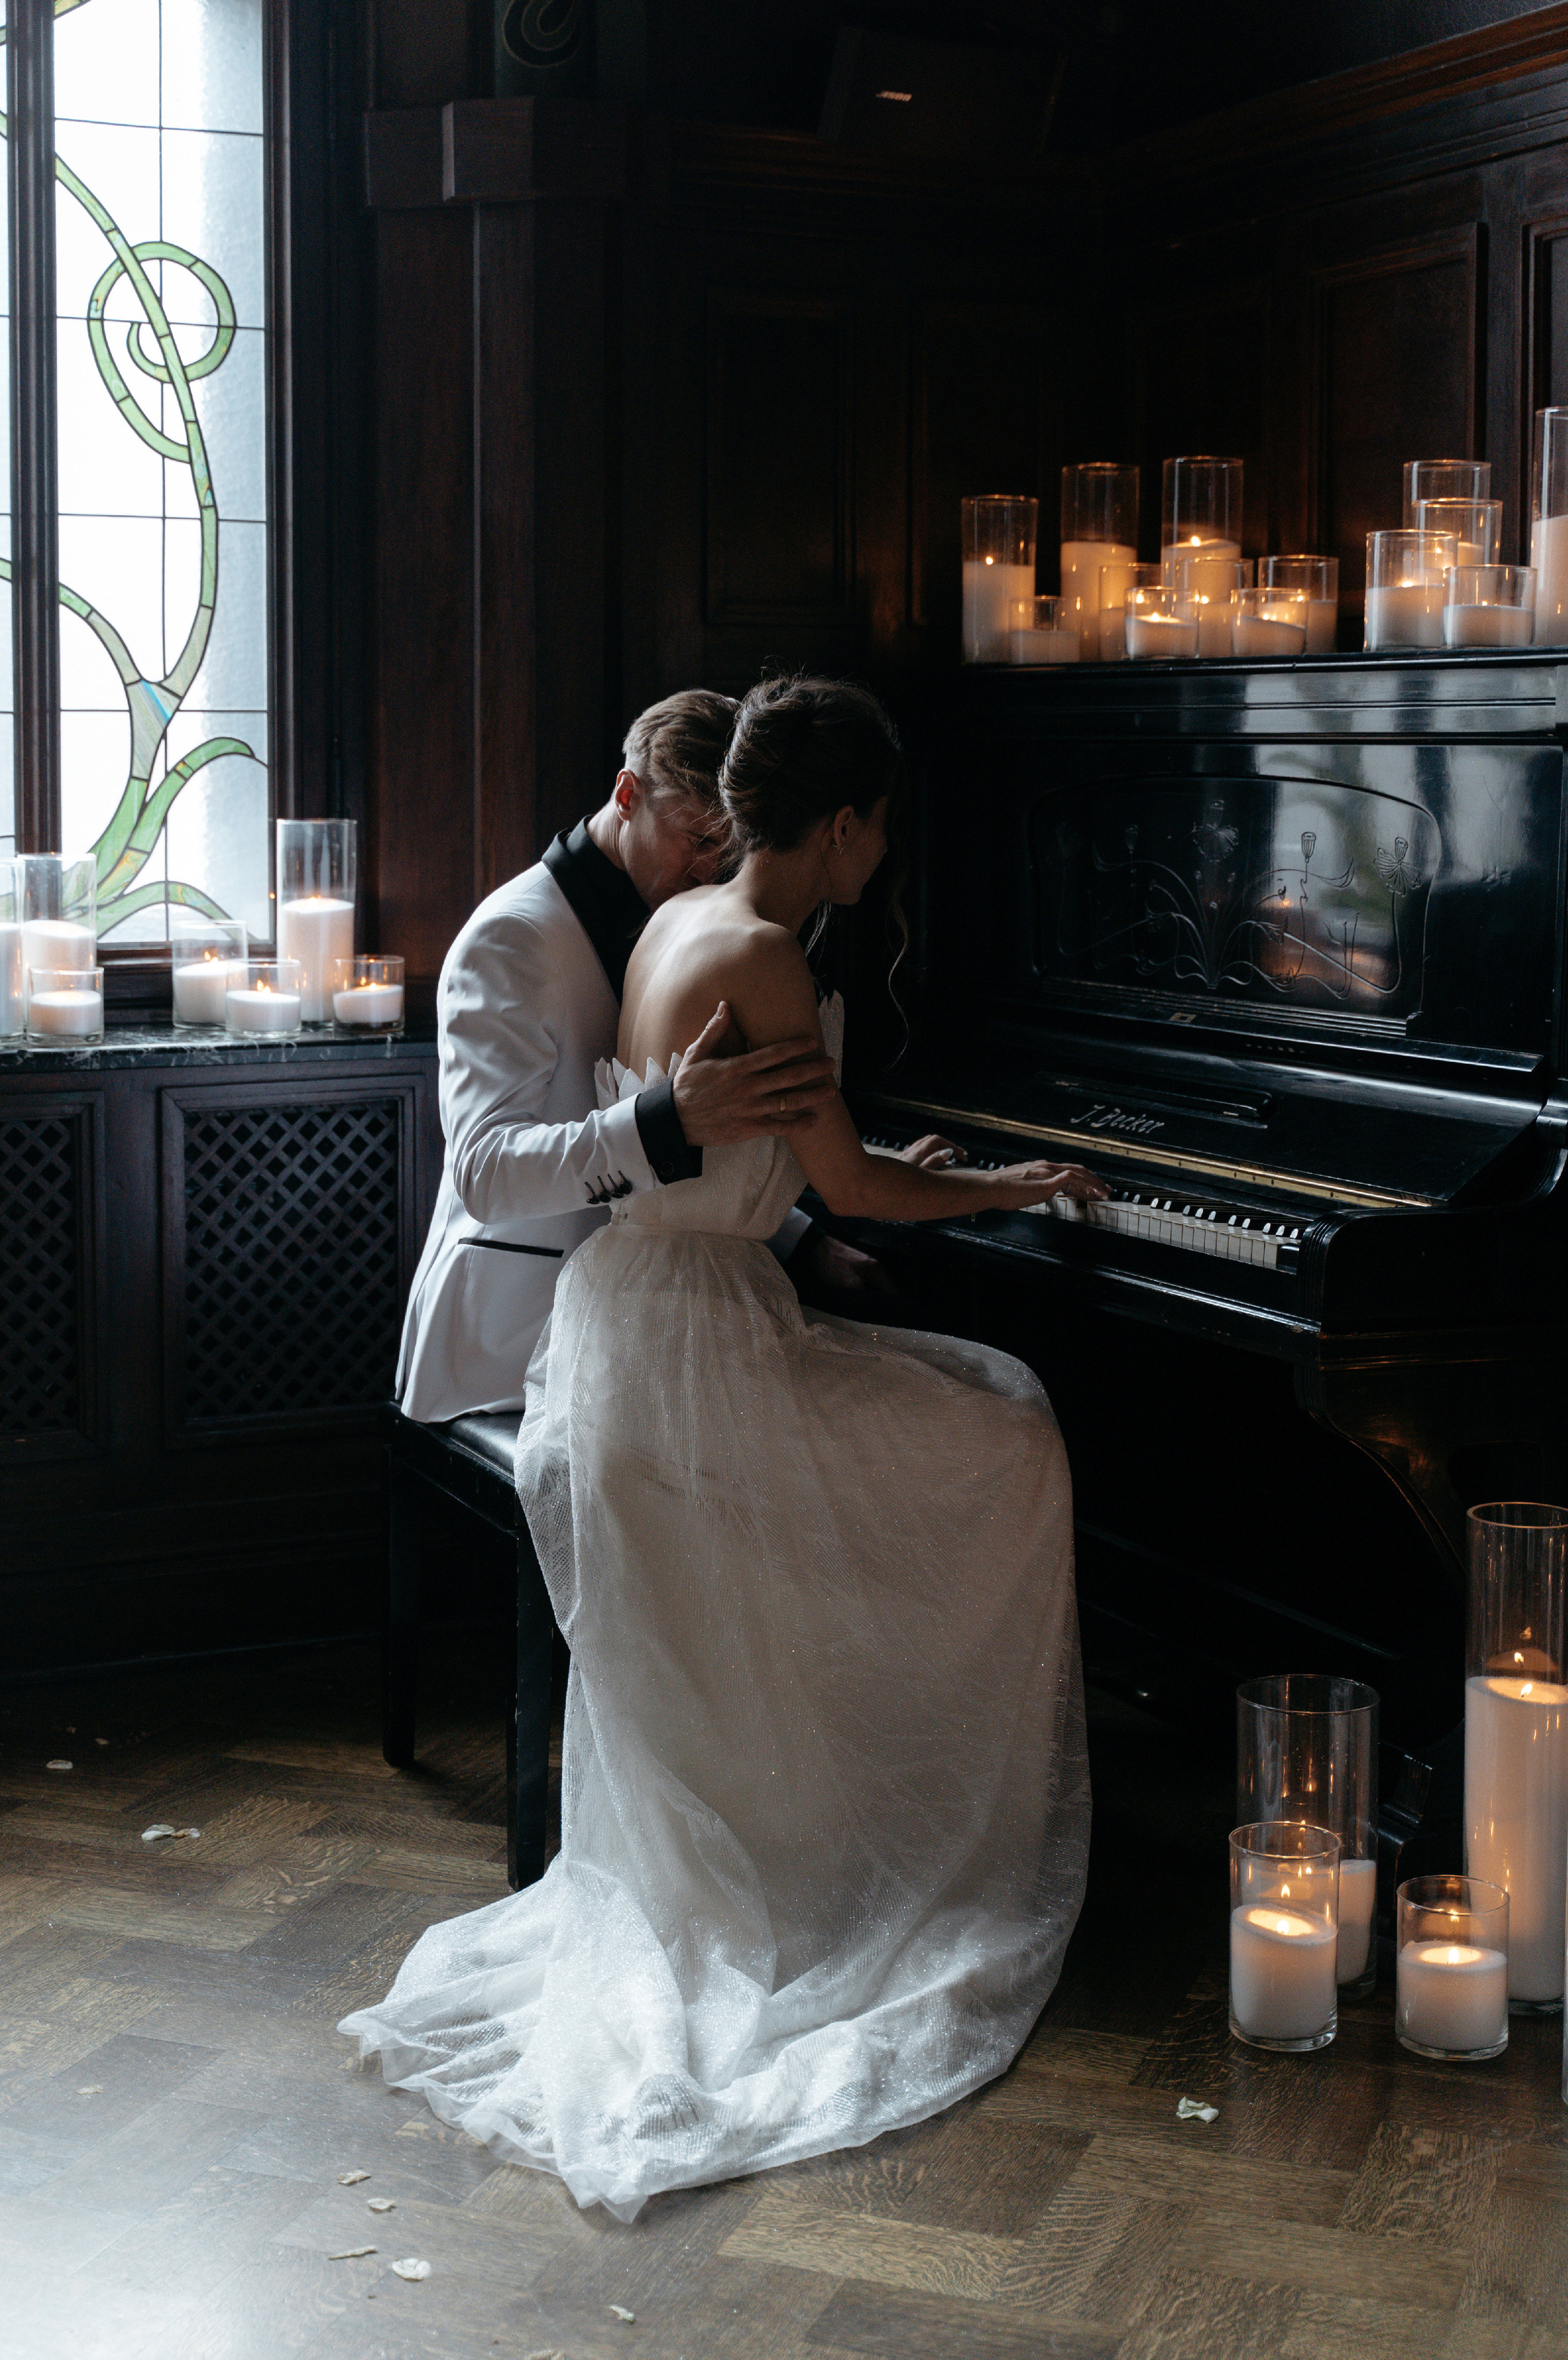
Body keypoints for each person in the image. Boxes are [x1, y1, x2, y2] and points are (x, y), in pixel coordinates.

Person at [343, 675, 1104, 2220]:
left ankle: (824, 1805)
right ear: (843, 825)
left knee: (935, 1434)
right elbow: (538, 1164)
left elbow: (760, 1157)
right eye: (878, 828)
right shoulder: (655, 941)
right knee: (1006, 1429)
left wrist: (821, 1186)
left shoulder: (681, 922)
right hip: (637, 1340)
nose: (879, 855)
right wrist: (1005, 1185)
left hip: (643, 1319)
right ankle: (896, 1829)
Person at [396, 687, 922, 1424]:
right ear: (627, 795)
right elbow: (485, 1173)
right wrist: (664, 1122)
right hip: (509, 1343)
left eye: (727, 848)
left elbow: (710, 1142)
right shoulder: (511, 938)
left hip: (649, 1329)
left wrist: (802, 1240)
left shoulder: (686, 922)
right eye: (695, 838)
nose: (711, 868)